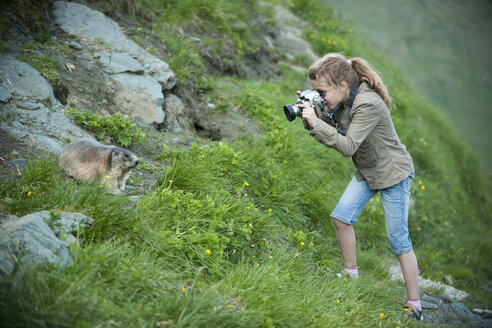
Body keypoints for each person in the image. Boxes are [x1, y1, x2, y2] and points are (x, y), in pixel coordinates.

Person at [297, 53, 423, 321]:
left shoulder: (367, 103)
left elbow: (347, 146)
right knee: (341, 218)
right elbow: (336, 133)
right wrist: (315, 114)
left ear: (342, 85)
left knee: (398, 241)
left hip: (393, 174)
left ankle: (415, 305)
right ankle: (350, 275)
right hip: (368, 170)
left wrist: (318, 123)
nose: (320, 96)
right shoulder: (344, 99)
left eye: (322, 92)